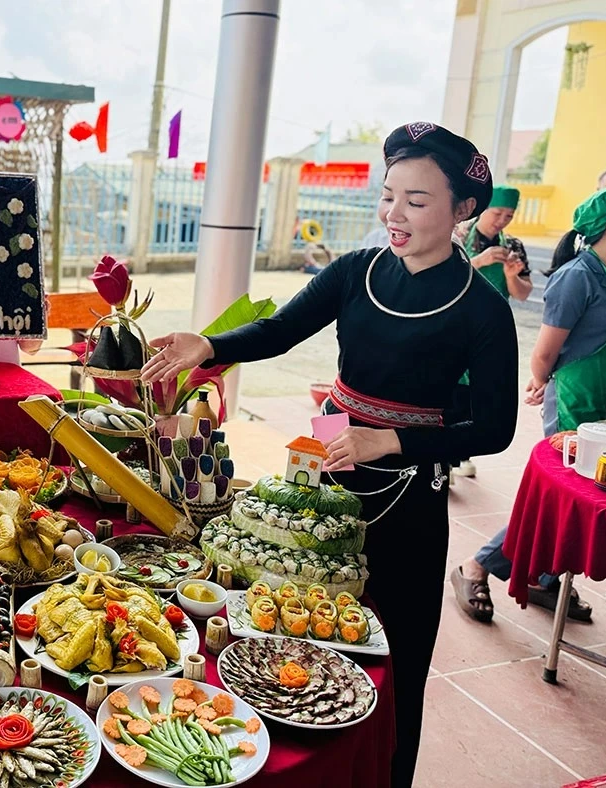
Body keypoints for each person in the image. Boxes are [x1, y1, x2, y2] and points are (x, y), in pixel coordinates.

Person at [142, 122, 518, 787]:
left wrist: (391, 440)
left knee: (395, 658)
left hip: (409, 497)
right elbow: (282, 329)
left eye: (416, 201)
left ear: (464, 208)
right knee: (286, 631)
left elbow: (495, 428)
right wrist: (211, 344)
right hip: (321, 476)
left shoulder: (482, 310)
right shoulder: (356, 271)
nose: (394, 214)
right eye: (388, 196)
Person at [458, 186, 606, 619]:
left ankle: (544, 578)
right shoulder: (578, 276)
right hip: (579, 400)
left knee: (591, 499)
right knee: (565, 498)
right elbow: (544, 351)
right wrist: (541, 381)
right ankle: (477, 565)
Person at [446, 185, 532, 480]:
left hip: (490, 327)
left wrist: (511, 276)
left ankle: (463, 456)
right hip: (455, 324)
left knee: (480, 390)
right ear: (483, 210)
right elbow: (444, 276)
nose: (502, 221)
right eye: (498, 213)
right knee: (451, 391)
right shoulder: (457, 235)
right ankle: (444, 458)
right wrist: (479, 261)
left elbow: (523, 293)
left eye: (509, 215)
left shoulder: (513, 246)